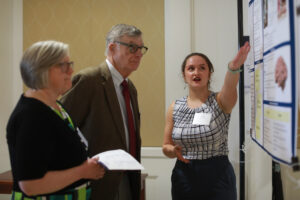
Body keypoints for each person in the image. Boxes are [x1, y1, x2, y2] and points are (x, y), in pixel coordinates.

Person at [6, 40, 105, 200]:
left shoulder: (56, 107)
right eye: (64, 66)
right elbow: (30, 185)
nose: (71, 70)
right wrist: (82, 171)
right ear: (42, 70)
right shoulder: (31, 116)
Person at [60, 24, 147, 200]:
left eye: (141, 48)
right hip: (96, 182)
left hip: (128, 179)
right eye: (132, 47)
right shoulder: (89, 80)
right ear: (112, 47)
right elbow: (61, 128)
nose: (138, 53)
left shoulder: (130, 87)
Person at [162, 42, 250, 200]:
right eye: (191, 68)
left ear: (209, 74)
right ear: (184, 75)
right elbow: (166, 145)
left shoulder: (220, 101)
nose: (196, 72)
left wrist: (233, 67)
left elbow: (230, 86)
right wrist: (172, 151)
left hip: (217, 176)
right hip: (184, 176)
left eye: (202, 68)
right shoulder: (174, 107)